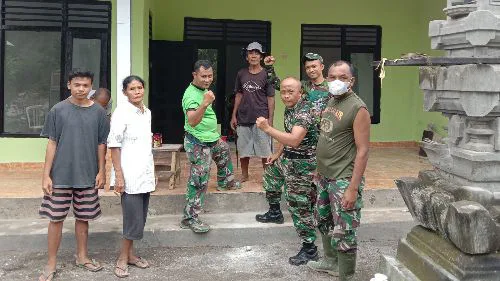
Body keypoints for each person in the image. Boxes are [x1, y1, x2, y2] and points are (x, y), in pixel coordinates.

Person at [38, 71, 109, 281]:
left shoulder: (99, 112)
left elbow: (101, 144)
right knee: (55, 219)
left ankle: (82, 256)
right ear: (69, 85)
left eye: (85, 85)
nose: (81, 89)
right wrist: (46, 175)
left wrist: (102, 171)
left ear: (91, 87)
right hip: (60, 175)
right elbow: (52, 143)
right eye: (77, 84)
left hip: (87, 175)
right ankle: (51, 263)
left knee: (83, 218)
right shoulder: (58, 110)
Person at [307, 61, 370, 281]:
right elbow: (327, 137)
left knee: (344, 230)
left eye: (342, 77)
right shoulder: (331, 100)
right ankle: (330, 261)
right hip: (324, 175)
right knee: (323, 220)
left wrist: (353, 188)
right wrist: (318, 168)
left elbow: (362, 151)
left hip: (343, 179)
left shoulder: (357, 108)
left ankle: (346, 275)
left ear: (351, 81)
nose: (336, 81)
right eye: (332, 76)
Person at [255, 77, 319, 266]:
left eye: (290, 91)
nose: (286, 95)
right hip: (288, 156)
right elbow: (288, 136)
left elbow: (295, 139)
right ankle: (275, 212)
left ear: (300, 93)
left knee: (298, 205)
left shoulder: (305, 111)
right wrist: (277, 153)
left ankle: (310, 249)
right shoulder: (291, 107)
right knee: (271, 175)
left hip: (303, 163)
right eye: (283, 91)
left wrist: (267, 128)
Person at [181, 60, 241, 233]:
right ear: (194, 75)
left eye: (210, 76)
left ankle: (225, 182)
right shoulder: (191, 95)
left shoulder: (203, 90)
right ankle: (189, 218)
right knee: (199, 179)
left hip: (211, 138)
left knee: (224, 151)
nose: (207, 80)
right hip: (197, 142)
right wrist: (205, 103)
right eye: (203, 76)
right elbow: (192, 121)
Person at [107, 75, 155, 278]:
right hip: (128, 175)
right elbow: (114, 145)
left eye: (140, 87)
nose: (137, 91)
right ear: (125, 92)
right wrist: (119, 176)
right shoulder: (122, 112)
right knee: (132, 218)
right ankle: (121, 258)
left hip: (144, 173)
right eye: (132, 89)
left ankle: (131, 255)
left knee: (140, 218)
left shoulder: (146, 113)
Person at [231, 41, 275, 182]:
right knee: (243, 149)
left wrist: (270, 120)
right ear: (247, 56)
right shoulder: (241, 73)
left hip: (261, 118)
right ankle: (244, 175)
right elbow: (239, 94)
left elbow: (271, 98)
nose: (254, 55)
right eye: (251, 52)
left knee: (265, 150)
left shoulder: (267, 74)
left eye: (257, 53)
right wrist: (233, 115)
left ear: (261, 56)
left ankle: (267, 176)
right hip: (243, 117)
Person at [264, 52, 329, 123]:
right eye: (308, 67)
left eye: (314, 66)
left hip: (326, 130)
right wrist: (269, 67)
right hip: (304, 130)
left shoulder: (332, 87)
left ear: (322, 67)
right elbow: (277, 84)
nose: (311, 70)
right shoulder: (303, 86)